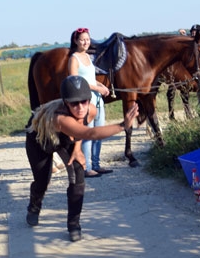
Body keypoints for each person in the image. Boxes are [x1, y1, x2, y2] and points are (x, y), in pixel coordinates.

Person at [24, 75, 138, 241]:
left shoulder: (91, 110)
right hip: (40, 140)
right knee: (42, 180)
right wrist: (122, 126)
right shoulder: (60, 118)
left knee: (78, 175)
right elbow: (89, 133)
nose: (80, 107)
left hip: (66, 137)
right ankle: (34, 207)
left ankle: (73, 225)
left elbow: (81, 128)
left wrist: (77, 148)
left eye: (84, 101)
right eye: (74, 103)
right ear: (65, 103)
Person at [67, 28, 112, 177]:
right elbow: (76, 81)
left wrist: (102, 86)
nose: (86, 42)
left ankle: (96, 164)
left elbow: (91, 79)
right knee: (88, 133)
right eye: (82, 40)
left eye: (87, 39)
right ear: (76, 41)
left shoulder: (87, 56)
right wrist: (96, 88)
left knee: (98, 133)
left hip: (97, 98)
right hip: (85, 100)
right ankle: (86, 167)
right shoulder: (74, 59)